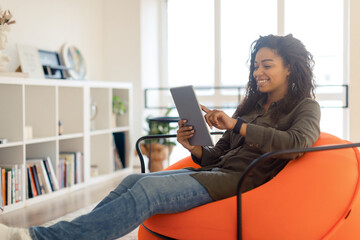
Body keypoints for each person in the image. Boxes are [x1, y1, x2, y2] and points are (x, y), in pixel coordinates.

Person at [0, 34, 320, 240]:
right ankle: (59, 236)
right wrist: (194, 148)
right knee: (132, 181)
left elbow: (297, 144)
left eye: (267, 65)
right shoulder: (251, 105)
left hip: (243, 181)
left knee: (148, 190)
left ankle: (39, 239)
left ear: (289, 68)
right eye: (255, 66)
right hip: (217, 172)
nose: (257, 72)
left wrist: (236, 125)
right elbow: (217, 154)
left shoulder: (305, 107)